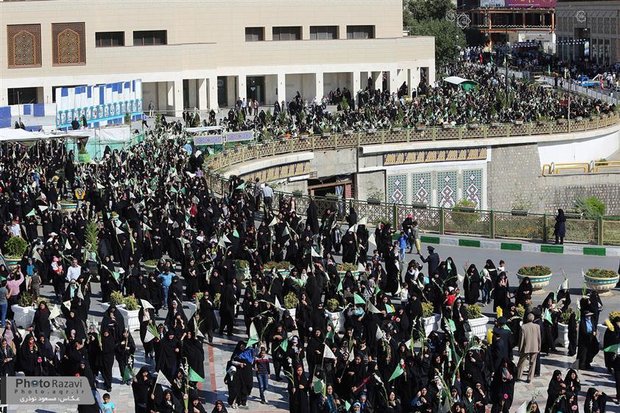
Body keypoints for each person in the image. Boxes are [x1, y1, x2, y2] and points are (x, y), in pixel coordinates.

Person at [516, 313, 541, 383]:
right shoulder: (537, 326)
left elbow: (521, 339)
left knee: (522, 362)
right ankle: (530, 378)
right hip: (534, 346)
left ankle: (518, 376)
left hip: (526, 346)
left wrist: (520, 348)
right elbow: (539, 338)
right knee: (532, 363)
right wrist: (539, 346)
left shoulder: (523, 327)